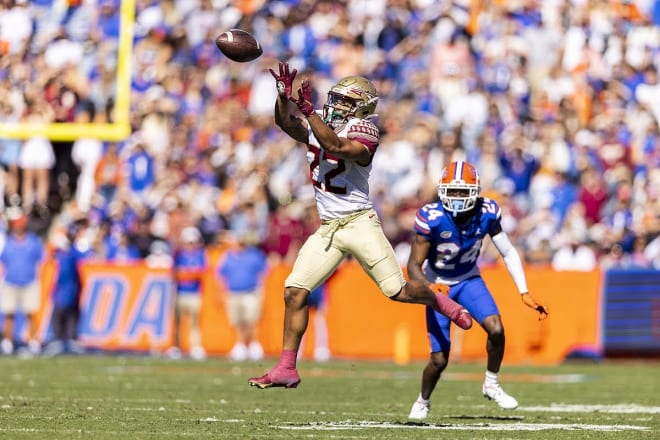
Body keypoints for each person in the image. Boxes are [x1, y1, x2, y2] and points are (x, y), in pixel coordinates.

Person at [248, 62, 472, 390]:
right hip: (327, 228)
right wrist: (284, 97)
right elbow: (287, 124)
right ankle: (287, 367)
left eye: (345, 101)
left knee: (399, 291)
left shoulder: (364, 132)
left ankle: (440, 300)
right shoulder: (319, 123)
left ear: (362, 108)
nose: (336, 105)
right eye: (335, 98)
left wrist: (310, 111)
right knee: (294, 292)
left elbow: (336, 147)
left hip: (358, 222)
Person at [406, 161, 549, 420]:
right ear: (442, 190)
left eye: (464, 191)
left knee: (496, 328)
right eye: (454, 191)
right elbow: (413, 265)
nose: (458, 197)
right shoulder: (432, 217)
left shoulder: (487, 211)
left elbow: (507, 250)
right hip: (438, 285)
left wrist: (523, 291)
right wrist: (430, 288)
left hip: (469, 279)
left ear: (476, 191)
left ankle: (491, 383)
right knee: (439, 360)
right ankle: (423, 400)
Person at [216, 232, 268, 362]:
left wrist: (261, 290)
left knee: (251, 320)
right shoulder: (228, 256)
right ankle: (240, 345)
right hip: (233, 293)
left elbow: (263, 272)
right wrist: (222, 291)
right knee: (237, 321)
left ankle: (253, 345)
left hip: (251, 292)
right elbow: (221, 274)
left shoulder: (254, 255)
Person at [0, 208, 45, 356]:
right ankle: (7, 342)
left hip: (29, 281)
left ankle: (33, 342)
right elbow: (3, 262)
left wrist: (38, 279)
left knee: (30, 313)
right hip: (10, 281)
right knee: (9, 313)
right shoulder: (8, 242)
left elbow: (40, 262)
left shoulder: (33, 241)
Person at [168, 226, 207, 360]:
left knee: (194, 322)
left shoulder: (200, 254)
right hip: (180, 292)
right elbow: (174, 272)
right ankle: (176, 346)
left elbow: (200, 272)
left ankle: (195, 346)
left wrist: (186, 274)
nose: (190, 245)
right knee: (177, 322)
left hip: (194, 293)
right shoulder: (179, 254)